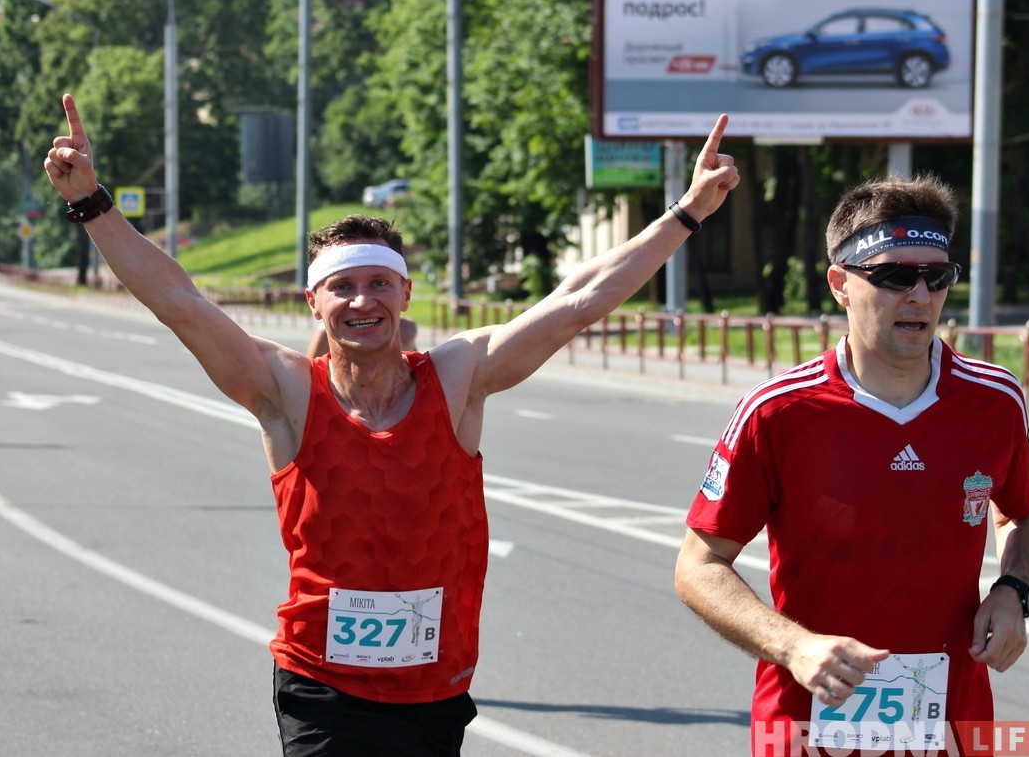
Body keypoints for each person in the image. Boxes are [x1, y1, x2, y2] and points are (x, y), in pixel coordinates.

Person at [45, 92, 739, 755]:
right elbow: (182, 304)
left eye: (379, 283)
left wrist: (683, 214)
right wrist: (91, 203)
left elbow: (577, 302)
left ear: (405, 294)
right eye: (342, 286)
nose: (361, 300)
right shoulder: (287, 390)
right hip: (320, 684)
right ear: (313, 303)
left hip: (435, 688)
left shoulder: (458, 377)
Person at [674, 175, 1029, 757]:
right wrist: (795, 647)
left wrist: (1012, 589)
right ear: (840, 284)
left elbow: (1023, 515)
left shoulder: (995, 399)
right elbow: (699, 567)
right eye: (895, 276)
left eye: (937, 276)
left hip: (953, 726)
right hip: (806, 728)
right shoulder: (777, 410)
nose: (920, 296)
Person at [305, 314, 417, 358]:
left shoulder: (407, 328)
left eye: (379, 284)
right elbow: (312, 379)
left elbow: (415, 367)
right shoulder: (327, 333)